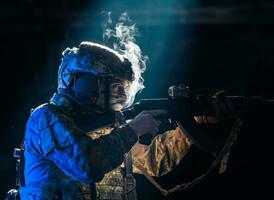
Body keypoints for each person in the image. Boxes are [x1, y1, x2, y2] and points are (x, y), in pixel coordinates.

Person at [19, 41, 226, 199]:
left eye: (122, 86)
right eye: (112, 83)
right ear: (82, 82)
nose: (119, 92)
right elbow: (86, 165)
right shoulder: (45, 118)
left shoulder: (110, 127)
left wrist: (193, 122)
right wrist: (133, 129)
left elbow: (154, 161)